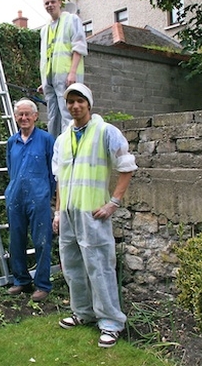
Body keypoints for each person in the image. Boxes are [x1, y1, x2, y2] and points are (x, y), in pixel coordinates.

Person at [51, 84, 137, 349]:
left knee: (99, 267)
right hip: (68, 214)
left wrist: (113, 203)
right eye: (70, 102)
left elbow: (126, 167)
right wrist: (57, 211)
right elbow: (60, 179)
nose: (75, 106)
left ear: (89, 104)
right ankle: (83, 312)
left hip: (93, 214)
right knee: (73, 266)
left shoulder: (106, 132)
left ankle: (111, 322)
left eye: (80, 101)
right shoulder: (62, 139)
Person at [5, 98, 56, 302]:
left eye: (28, 114)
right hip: (15, 196)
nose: (24, 118)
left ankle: (42, 284)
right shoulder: (12, 141)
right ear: (16, 117)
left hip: (39, 198)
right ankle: (21, 281)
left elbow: (54, 172)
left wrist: (45, 194)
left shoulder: (46, 139)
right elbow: (11, 169)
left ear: (35, 116)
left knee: (42, 241)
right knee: (16, 240)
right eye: (20, 114)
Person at [38, 0, 88, 137]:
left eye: (53, 2)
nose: (50, 5)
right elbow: (48, 55)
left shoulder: (71, 20)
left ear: (60, 3)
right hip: (51, 81)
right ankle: (55, 152)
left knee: (68, 115)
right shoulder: (45, 29)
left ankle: (71, 149)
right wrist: (45, 81)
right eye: (47, 3)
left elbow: (78, 46)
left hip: (67, 77)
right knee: (53, 117)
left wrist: (72, 72)